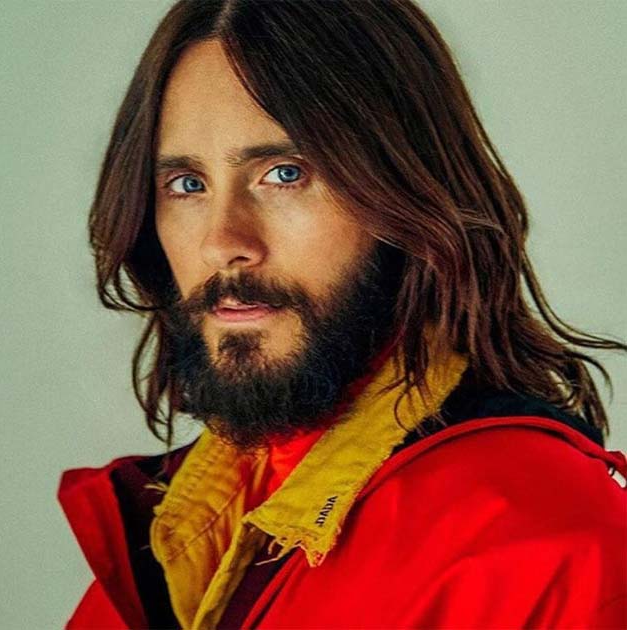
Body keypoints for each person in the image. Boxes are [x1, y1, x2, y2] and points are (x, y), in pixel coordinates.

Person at [58, 1, 627, 628]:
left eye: (284, 174)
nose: (221, 243)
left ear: (404, 189)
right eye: (188, 185)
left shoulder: (553, 547)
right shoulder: (173, 530)